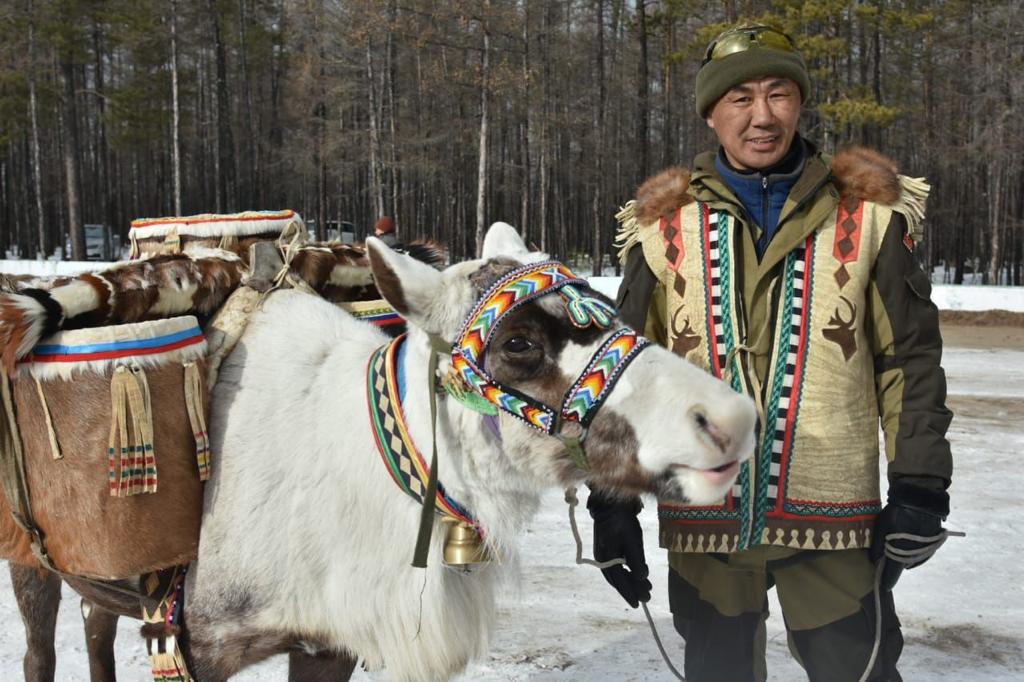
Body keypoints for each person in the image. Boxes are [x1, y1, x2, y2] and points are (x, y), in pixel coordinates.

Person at [589, 23, 953, 681]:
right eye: (740, 98)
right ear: (711, 113)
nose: (762, 117)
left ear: (800, 103)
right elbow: (624, 372)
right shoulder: (658, 225)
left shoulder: (869, 214)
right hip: (707, 517)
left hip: (835, 522)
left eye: (779, 95)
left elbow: (909, 361)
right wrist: (611, 501)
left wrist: (922, 482)